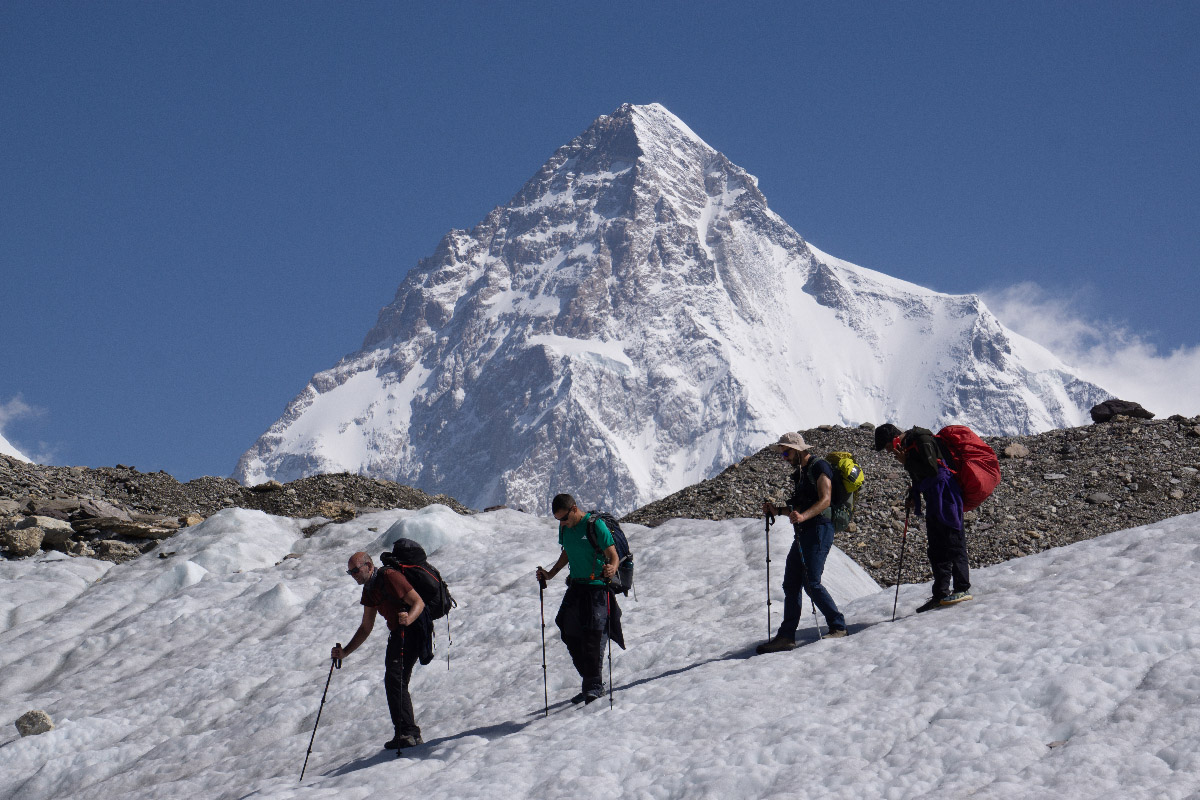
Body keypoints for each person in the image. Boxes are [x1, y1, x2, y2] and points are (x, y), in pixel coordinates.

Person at [331, 551, 433, 750]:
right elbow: (366, 627)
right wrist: (345, 652)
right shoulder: (369, 589)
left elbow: (417, 602)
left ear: (369, 566)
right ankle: (404, 732)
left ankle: (409, 733)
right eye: (349, 572)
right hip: (398, 633)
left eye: (355, 570)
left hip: (412, 630)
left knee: (396, 678)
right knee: (394, 680)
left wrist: (408, 619)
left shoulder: (390, 577)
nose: (353, 575)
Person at [757, 432, 848, 654]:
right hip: (805, 531)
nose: (784, 457)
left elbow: (825, 499)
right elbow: (798, 507)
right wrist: (777, 510)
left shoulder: (819, 467)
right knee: (791, 583)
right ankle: (786, 636)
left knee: (811, 582)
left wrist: (804, 517)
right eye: (783, 453)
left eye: (786, 452)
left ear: (798, 450)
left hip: (819, 529)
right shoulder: (801, 473)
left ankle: (838, 626)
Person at [535, 494, 625, 704]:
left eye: (564, 518)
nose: (562, 523)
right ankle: (590, 681)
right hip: (576, 585)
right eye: (558, 520)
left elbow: (613, 555)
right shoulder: (565, 527)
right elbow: (567, 552)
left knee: (593, 634)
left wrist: (612, 568)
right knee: (566, 626)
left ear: (574, 509)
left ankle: (593, 686)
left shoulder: (596, 526)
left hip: (597, 587)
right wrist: (550, 574)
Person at [876, 424, 972, 612]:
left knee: (954, 540)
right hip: (934, 499)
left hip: (946, 495)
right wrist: (913, 495)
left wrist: (906, 462)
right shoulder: (911, 445)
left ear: (894, 439)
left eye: (888, 447)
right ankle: (940, 593)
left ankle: (962, 588)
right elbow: (919, 477)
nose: (889, 452)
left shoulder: (922, 440)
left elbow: (932, 469)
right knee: (936, 548)